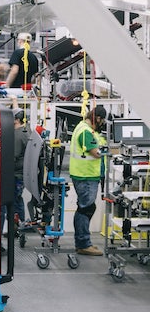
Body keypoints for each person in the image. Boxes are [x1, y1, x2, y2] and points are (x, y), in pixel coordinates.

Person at [68, 105, 108, 256]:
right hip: (85, 176)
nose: (102, 123)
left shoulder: (85, 128)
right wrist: (108, 149)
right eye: (102, 120)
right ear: (97, 118)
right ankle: (83, 243)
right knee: (86, 208)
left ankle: (83, 242)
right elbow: (96, 153)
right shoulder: (85, 131)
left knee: (86, 207)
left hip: (87, 175)